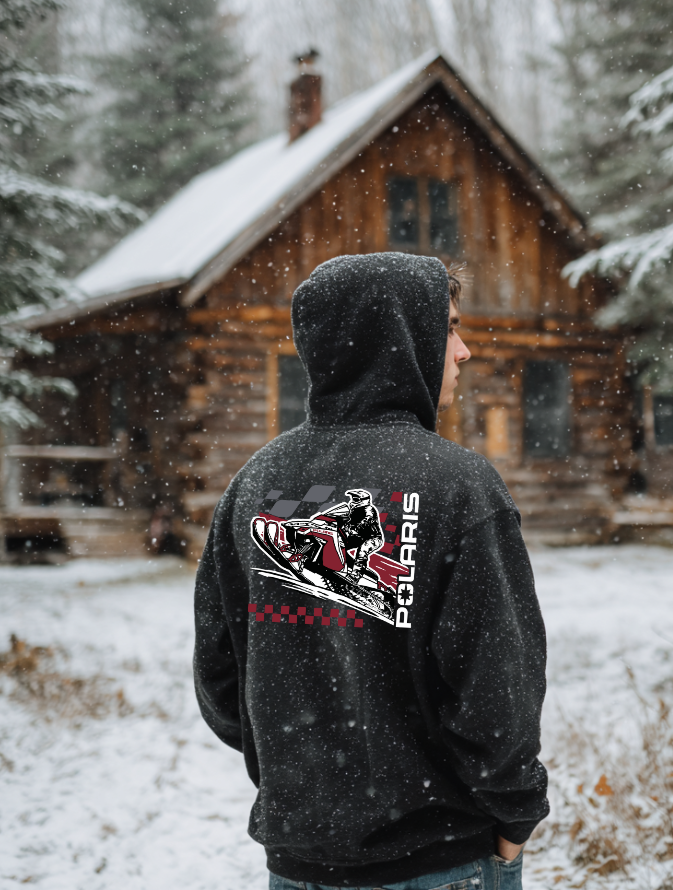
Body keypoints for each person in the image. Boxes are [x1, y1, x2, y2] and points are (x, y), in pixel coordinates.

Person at [193, 252, 548, 890]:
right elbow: (498, 689)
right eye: (450, 328)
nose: (464, 351)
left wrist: (305, 778)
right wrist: (515, 816)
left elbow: (222, 681)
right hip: (441, 860)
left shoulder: (257, 485)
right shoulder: (456, 487)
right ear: (400, 339)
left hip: (300, 862)